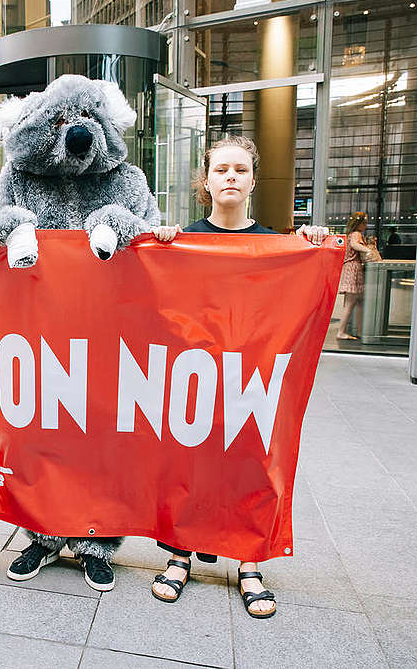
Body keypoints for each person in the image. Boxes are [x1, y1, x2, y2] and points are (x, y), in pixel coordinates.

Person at [149, 135, 330, 619]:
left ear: (252, 179)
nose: (230, 177)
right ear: (205, 181)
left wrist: (313, 245)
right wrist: (162, 243)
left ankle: (250, 563)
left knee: (251, 460)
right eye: (221, 169)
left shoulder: (276, 244)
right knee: (189, 461)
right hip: (193, 372)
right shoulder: (183, 238)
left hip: (252, 375)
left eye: (240, 170)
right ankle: (180, 554)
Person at [334, 212, 374, 341]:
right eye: (364, 223)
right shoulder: (356, 234)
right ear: (360, 223)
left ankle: (360, 330)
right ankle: (342, 331)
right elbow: (355, 245)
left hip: (350, 268)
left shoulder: (350, 234)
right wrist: (368, 250)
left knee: (356, 302)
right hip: (354, 269)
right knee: (351, 303)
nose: (366, 225)